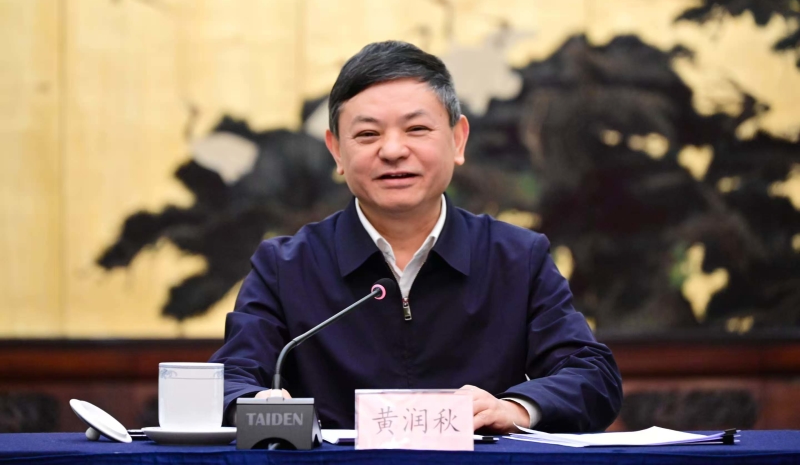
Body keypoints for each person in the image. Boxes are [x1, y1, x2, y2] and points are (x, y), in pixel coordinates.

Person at [209, 41, 622, 433]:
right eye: (368, 134)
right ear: (336, 150)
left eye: (417, 129)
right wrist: (258, 403)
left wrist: (513, 409)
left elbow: (592, 377)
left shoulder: (517, 257)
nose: (392, 150)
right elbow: (231, 380)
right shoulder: (285, 267)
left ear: (458, 139)